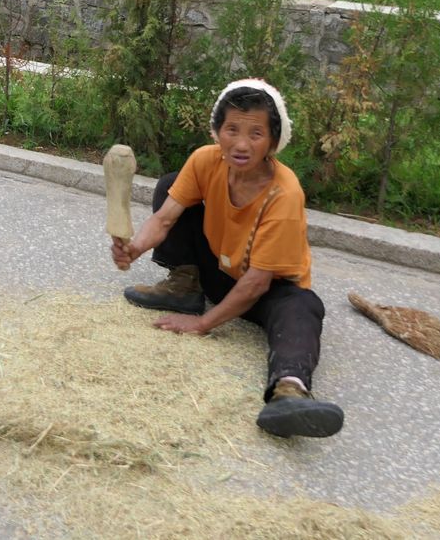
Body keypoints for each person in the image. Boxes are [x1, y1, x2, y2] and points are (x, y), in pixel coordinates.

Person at [110, 79, 344, 438]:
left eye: (255, 133)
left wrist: (203, 325)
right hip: (219, 270)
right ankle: (185, 287)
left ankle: (289, 391)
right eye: (231, 129)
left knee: (304, 307)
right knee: (171, 185)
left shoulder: (284, 192)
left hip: (268, 289)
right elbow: (165, 218)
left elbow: (256, 284)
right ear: (217, 131)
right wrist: (134, 248)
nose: (241, 143)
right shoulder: (206, 161)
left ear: (272, 142)